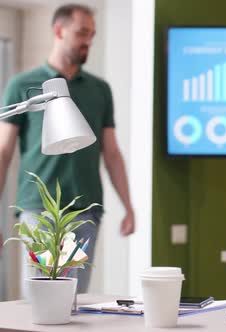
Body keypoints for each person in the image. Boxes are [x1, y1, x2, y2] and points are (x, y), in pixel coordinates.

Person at [0, 4, 134, 294]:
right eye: (82, 32)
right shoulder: (24, 86)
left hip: (85, 211)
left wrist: (128, 206)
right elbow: (3, 153)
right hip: (39, 210)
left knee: (74, 300)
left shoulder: (99, 90)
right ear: (59, 31)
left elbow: (111, 152)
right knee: (42, 300)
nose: (88, 41)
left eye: (92, 34)